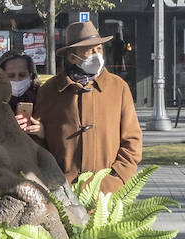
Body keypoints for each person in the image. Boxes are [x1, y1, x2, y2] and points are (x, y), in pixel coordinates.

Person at [32, 21, 141, 194]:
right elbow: (36, 142)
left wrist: (116, 178)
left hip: (107, 191)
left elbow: (132, 140)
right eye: (90, 50)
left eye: (99, 49)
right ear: (72, 57)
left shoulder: (118, 87)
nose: (96, 54)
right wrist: (53, 180)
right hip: (62, 192)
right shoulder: (49, 91)